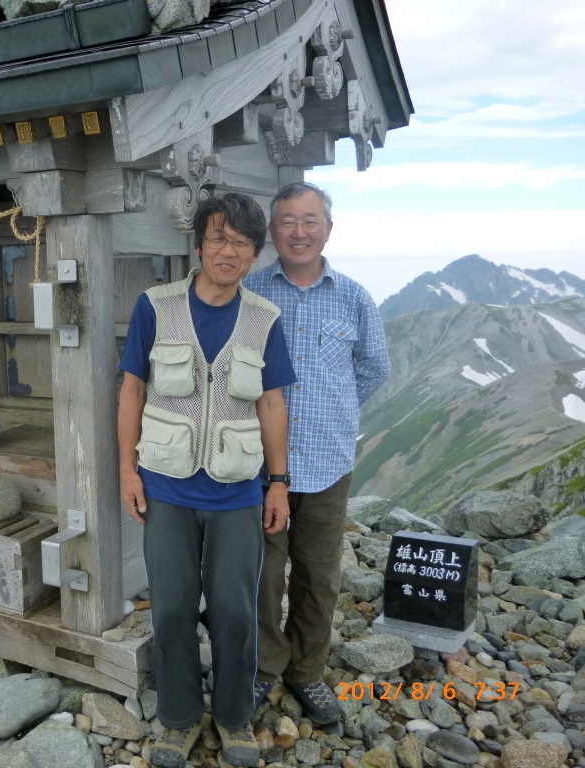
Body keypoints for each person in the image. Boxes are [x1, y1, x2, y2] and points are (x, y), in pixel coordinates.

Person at [117, 193, 295, 768]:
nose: (229, 251)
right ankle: (177, 718)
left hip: (238, 490)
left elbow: (271, 402)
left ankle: (234, 716)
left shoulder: (264, 319)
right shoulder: (155, 305)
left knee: (235, 611)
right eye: (219, 238)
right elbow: (131, 391)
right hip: (166, 485)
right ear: (199, 245)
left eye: (241, 243)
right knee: (169, 607)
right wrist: (127, 471)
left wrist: (278, 483)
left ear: (253, 255)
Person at [243, 182, 390, 724]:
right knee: (261, 572)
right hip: (258, 465)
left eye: (310, 220)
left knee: (319, 575)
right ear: (273, 231)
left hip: (328, 463)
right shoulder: (252, 294)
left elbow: (374, 367)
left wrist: (334, 412)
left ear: (329, 228)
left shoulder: (354, 297)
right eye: (287, 221)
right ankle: (264, 665)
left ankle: (307, 671)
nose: (298, 232)